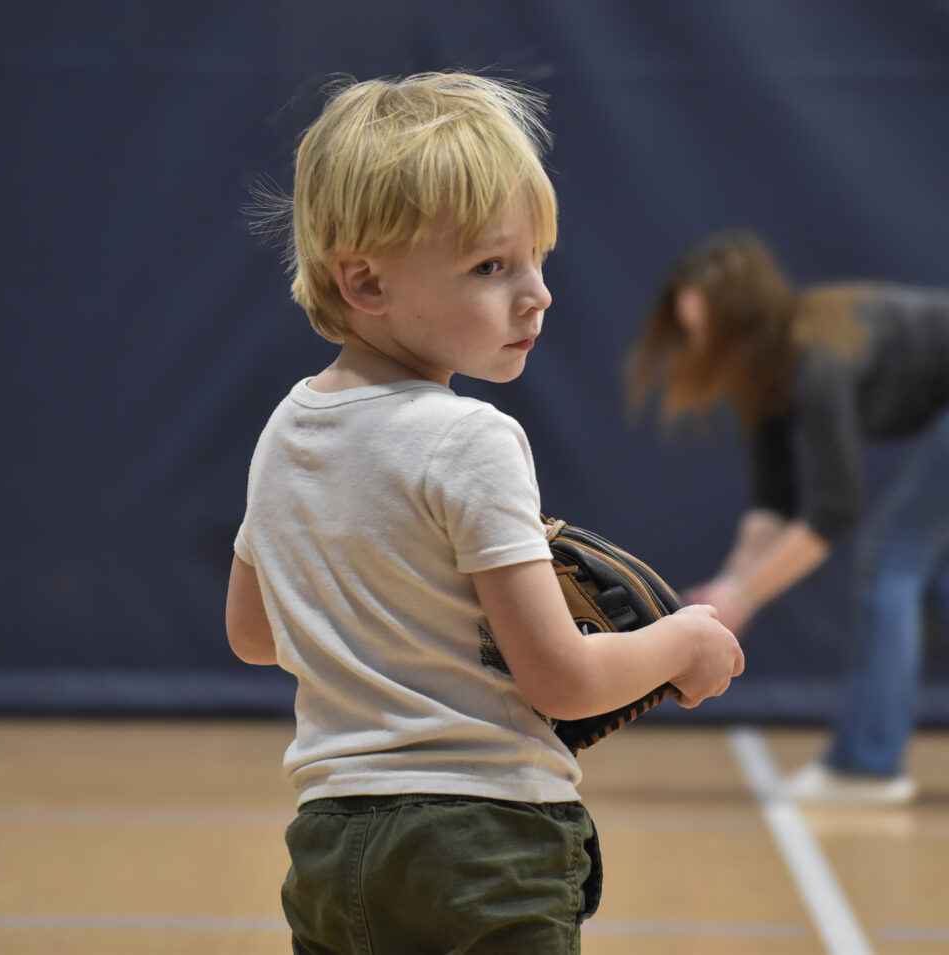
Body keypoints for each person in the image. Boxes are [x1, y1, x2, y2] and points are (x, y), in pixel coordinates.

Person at [225, 72, 744, 953]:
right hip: (484, 846)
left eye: (536, 258)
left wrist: (400, 609)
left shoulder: (287, 429)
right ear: (366, 282)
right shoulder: (473, 438)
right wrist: (686, 642)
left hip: (327, 848)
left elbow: (253, 631)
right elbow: (562, 681)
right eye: (491, 267)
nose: (535, 292)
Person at [626, 228, 949, 806]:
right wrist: (727, 589)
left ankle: (867, 769)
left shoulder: (816, 360)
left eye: (705, 331)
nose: (695, 346)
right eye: (687, 330)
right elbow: (772, 506)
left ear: (741, 324)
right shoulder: (769, 377)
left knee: (891, 560)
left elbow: (833, 510)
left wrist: (743, 596)